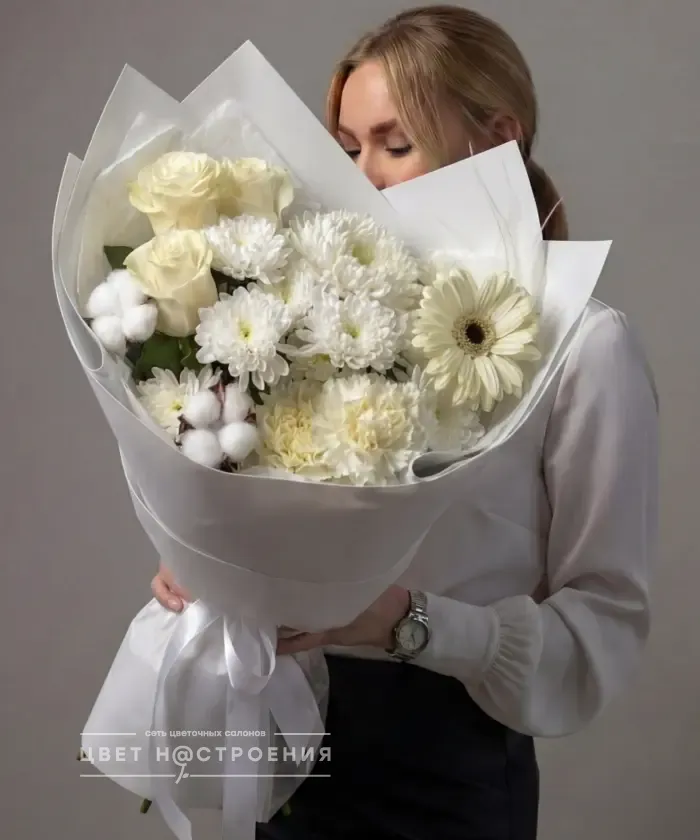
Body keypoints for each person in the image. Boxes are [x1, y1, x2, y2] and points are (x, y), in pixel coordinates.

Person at [152, 6, 659, 839]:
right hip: (290, 742)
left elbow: (604, 627)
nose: (365, 177)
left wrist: (406, 622)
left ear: (497, 139)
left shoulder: (587, 348)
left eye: (396, 145)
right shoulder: (314, 318)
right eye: (350, 148)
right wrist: (210, 565)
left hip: (447, 776)